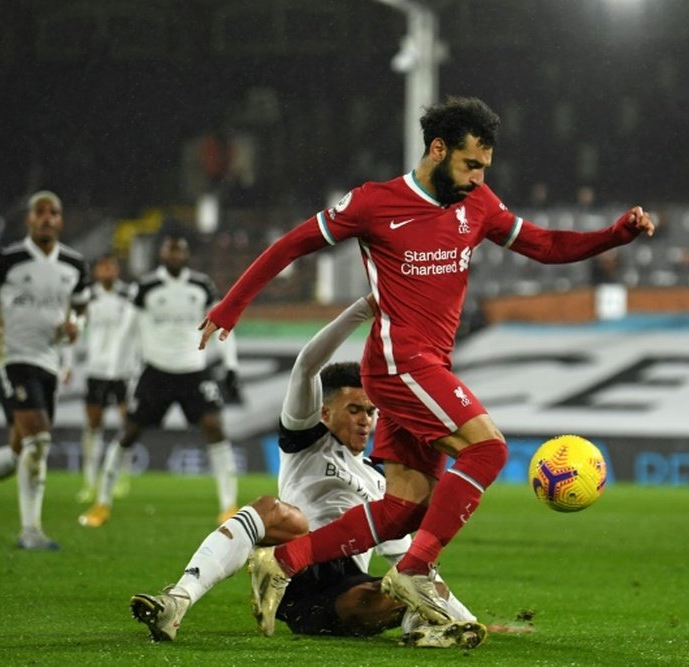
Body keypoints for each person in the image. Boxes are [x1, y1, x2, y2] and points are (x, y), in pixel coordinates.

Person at [198, 96, 655, 634]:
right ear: (438, 149)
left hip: (425, 366)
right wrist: (230, 307)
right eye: (470, 164)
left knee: (405, 509)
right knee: (488, 449)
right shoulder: (374, 203)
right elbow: (290, 247)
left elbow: (546, 245)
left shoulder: (478, 203)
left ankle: (282, 563)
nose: (479, 177)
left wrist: (614, 235)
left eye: (485, 166)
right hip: (397, 364)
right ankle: (414, 571)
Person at [130, 296, 486, 648]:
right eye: (354, 410)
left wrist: (465, 617)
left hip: (346, 594)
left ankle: (427, 631)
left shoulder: (383, 482)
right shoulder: (307, 440)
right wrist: (363, 309)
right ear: (326, 413)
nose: (365, 421)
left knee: (413, 581)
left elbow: (405, 559)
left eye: (370, 412)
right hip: (293, 571)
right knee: (274, 510)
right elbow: (306, 366)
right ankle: (177, 599)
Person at [0, 190, 91, 550]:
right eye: (40, 212)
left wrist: (75, 326)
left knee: (19, 451)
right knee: (38, 439)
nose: (46, 218)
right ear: (29, 219)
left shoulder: (74, 264)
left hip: (47, 361)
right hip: (11, 356)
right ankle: (30, 531)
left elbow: (81, 309)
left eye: (53, 213)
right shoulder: (7, 260)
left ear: (61, 220)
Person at [79, 234, 240, 528]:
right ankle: (101, 503)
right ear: (162, 253)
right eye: (170, 248)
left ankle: (228, 506)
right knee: (128, 433)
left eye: (180, 248)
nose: (175, 253)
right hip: (156, 372)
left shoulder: (202, 285)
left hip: (194, 369)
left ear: (187, 253)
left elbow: (224, 321)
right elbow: (125, 332)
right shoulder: (145, 287)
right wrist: (112, 374)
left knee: (215, 428)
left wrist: (231, 365)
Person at [75, 253, 138, 503]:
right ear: (97, 271)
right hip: (96, 370)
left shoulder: (130, 295)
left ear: (117, 269)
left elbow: (138, 329)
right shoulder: (88, 296)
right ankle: (89, 481)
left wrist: (137, 362)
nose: (107, 271)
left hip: (123, 370)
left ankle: (122, 477)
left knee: (127, 425)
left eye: (111, 267)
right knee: (93, 425)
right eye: (103, 267)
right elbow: (76, 327)